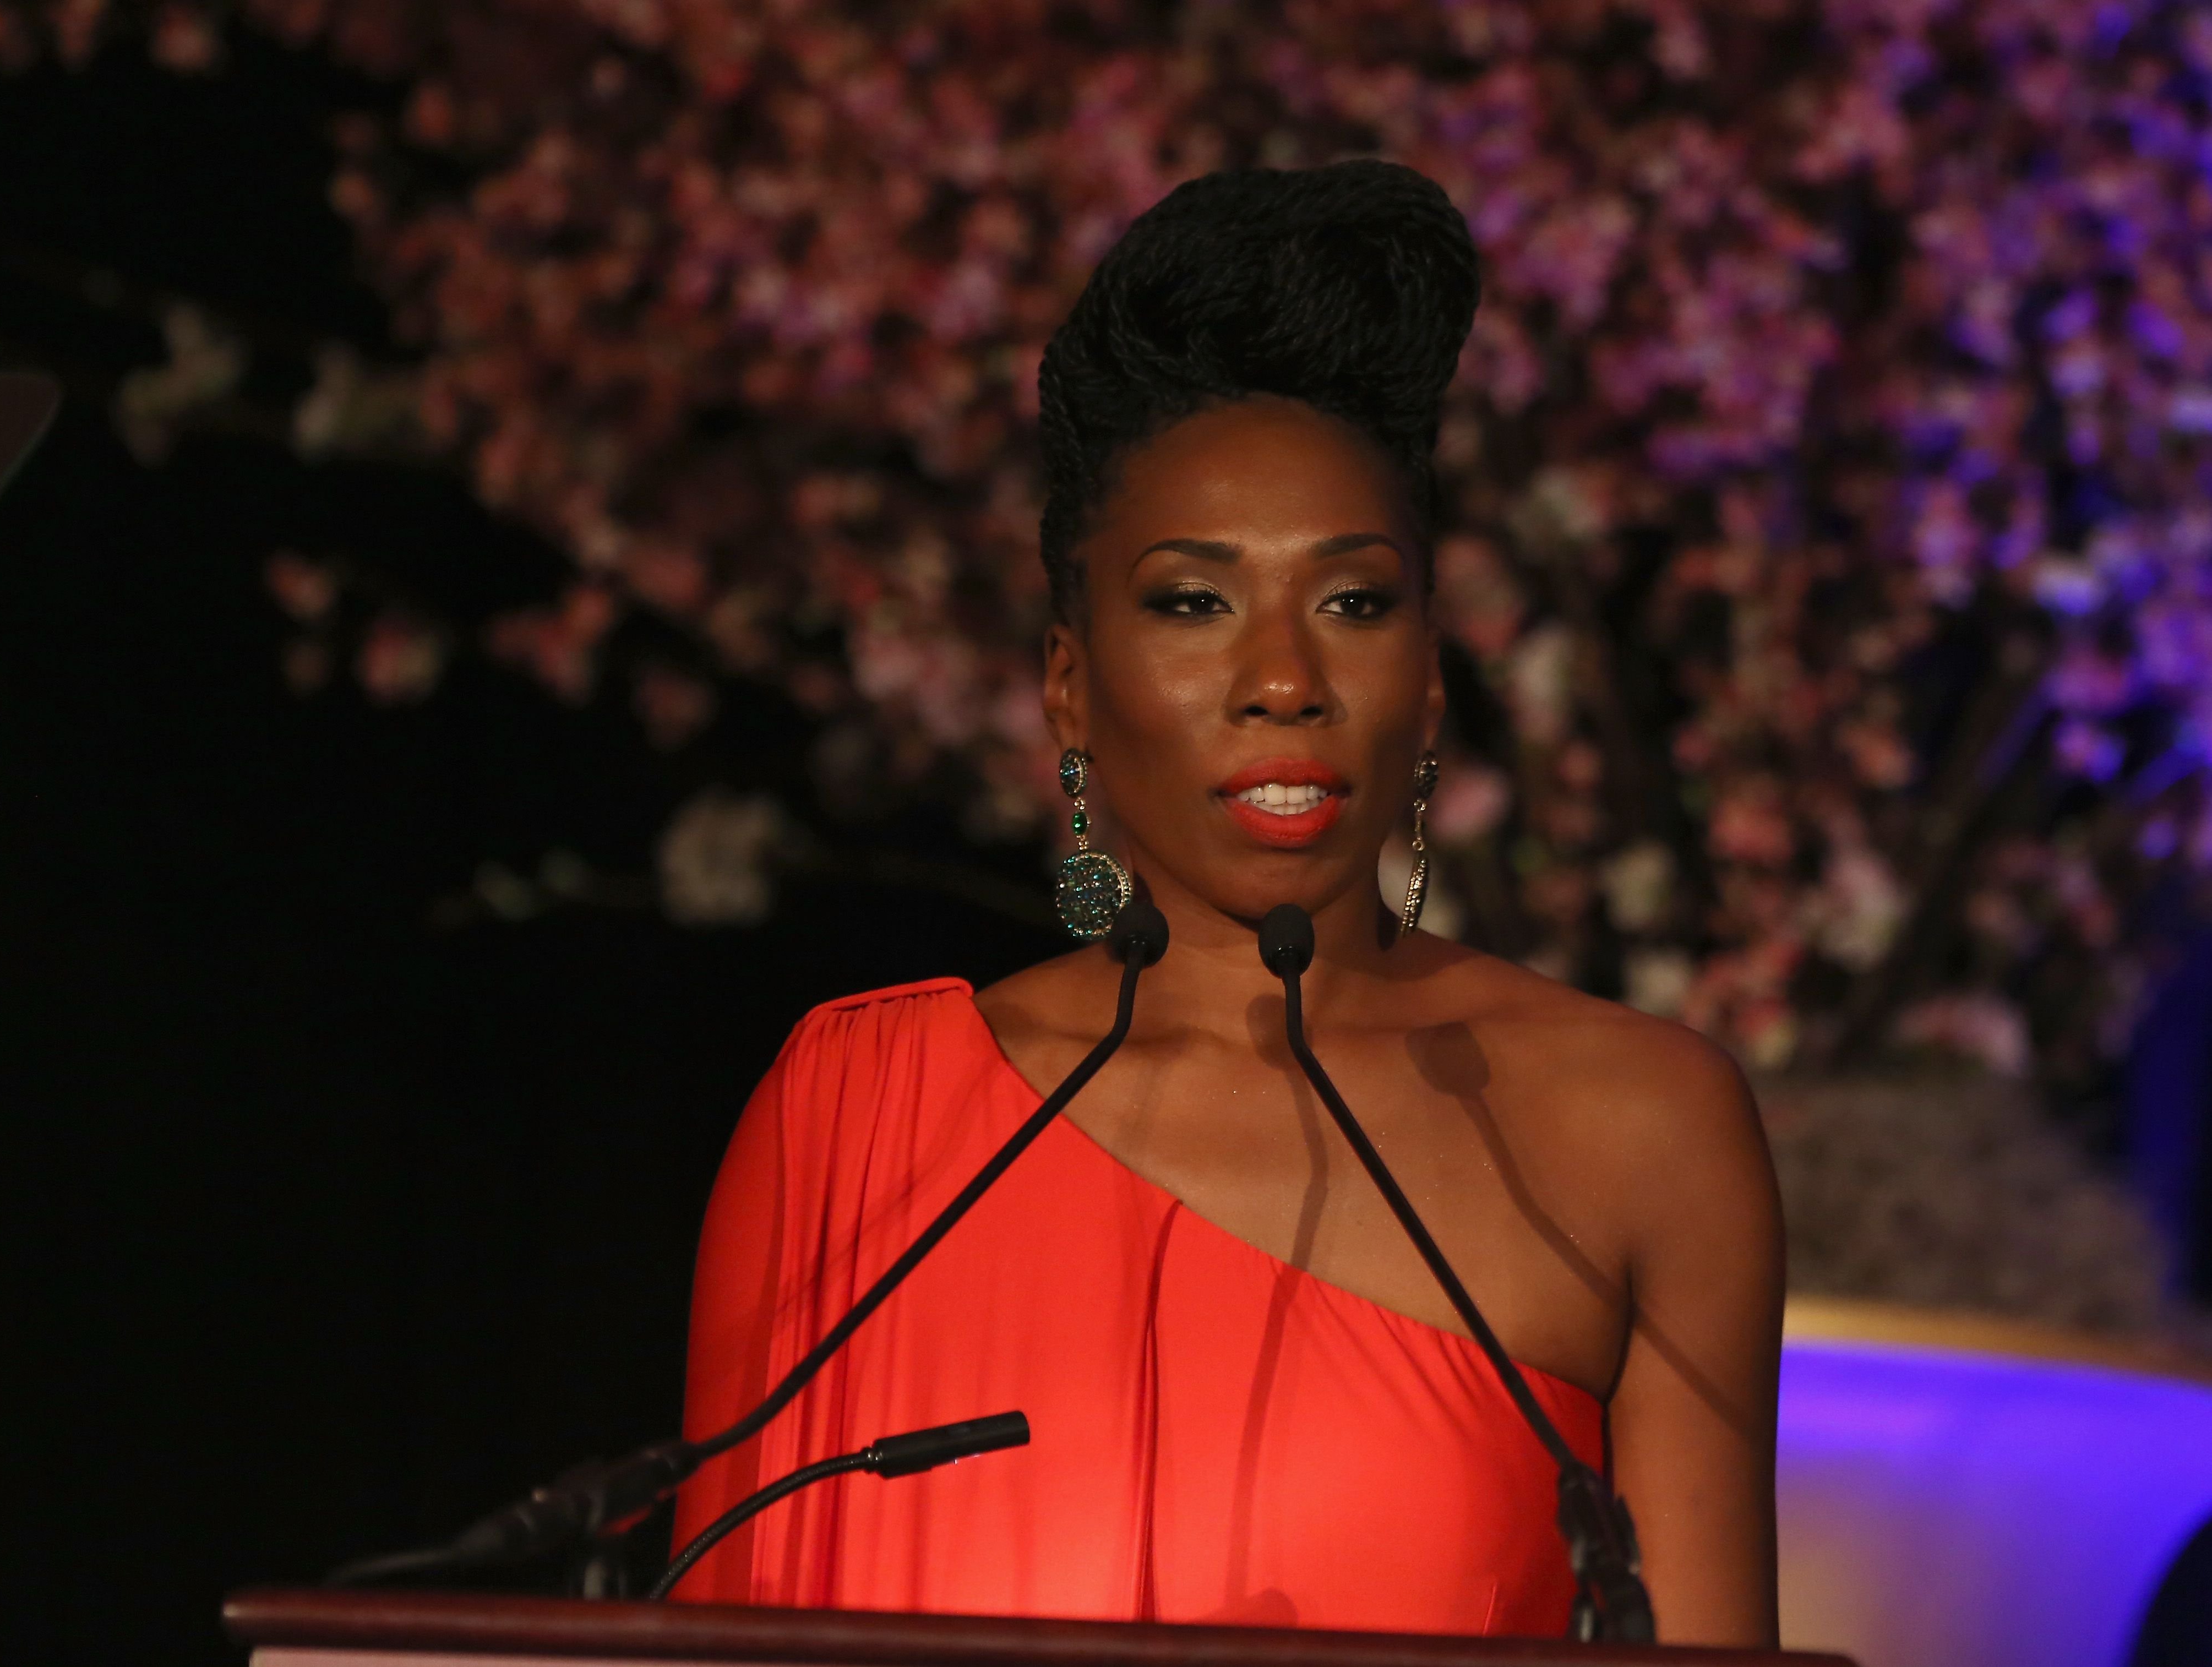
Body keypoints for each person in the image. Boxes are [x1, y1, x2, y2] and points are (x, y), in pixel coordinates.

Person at [671, 159, 1783, 1647]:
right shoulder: (855, 1121)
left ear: (1434, 672)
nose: (1284, 679)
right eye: (1194, 601)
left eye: (1354, 602)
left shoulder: (1642, 1129)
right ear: (1068, 680)